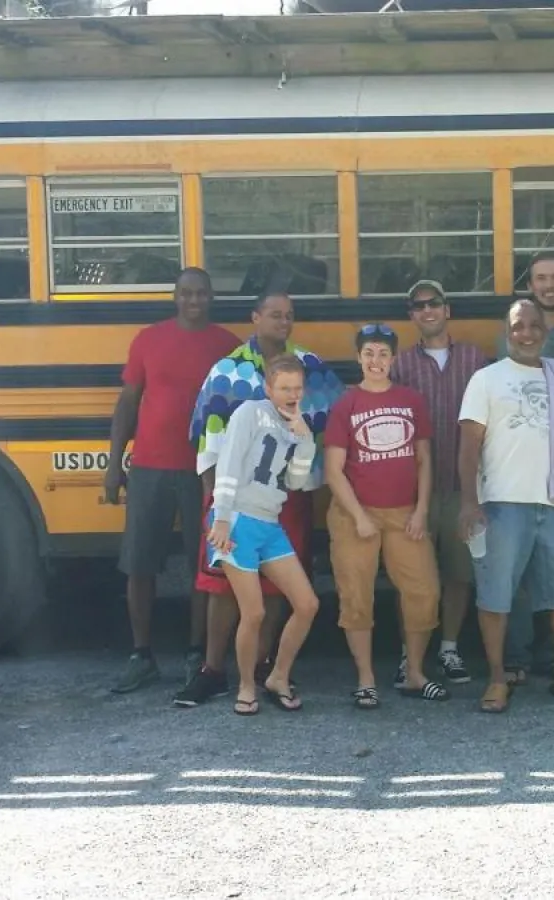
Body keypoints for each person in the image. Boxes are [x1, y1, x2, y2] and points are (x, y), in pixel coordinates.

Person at [173, 290, 346, 708]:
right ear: (255, 317)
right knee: (223, 591)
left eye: (289, 315)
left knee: (280, 597)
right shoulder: (228, 371)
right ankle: (216, 672)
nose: (282, 321)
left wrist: (307, 444)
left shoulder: (311, 367)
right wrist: (215, 508)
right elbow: (213, 441)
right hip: (231, 506)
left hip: (279, 506)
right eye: (274, 314)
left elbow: (323, 436)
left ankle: (270, 670)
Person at [104, 266, 240, 694]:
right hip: (148, 466)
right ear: (175, 297)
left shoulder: (228, 346)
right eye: (186, 293)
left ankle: (196, 654)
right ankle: (141, 654)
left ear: (211, 297)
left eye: (201, 293)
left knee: (203, 566)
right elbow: (128, 402)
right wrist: (114, 464)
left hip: (205, 470)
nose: (194, 300)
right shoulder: (149, 339)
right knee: (139, 564)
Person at [458, 300, 554, 714]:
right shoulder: (486, 379)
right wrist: (469, 502)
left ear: (545, 333)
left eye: (535, 326)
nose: (528, 333)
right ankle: (498, 679)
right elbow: (469, 447)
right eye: (519, 326)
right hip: (502, 504)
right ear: (506, 332)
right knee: (496, 597)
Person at [324, 323, 448, 708]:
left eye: (382, 353)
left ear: (393, 359)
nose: (375, 361)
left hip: (404, 513)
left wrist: (422, 510)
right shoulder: (346, 404)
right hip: (354, 515)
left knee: (424, 592)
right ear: (358, 358)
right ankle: (366, 679)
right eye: (368, 353)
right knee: (357, 596)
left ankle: (414, 673)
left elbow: (425, 459)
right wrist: (358, 515)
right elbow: (333, 469)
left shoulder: (411, 401)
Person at [205, 354, 323, 716]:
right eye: (284, 388)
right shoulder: (249, 412)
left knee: (307, 604)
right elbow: (228, 462)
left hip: (270, 523)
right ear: (268, 388)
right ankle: (245, 686)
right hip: (238, 519)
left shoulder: (295, 423)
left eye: (297, 388)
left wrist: (305, 441)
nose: (291, 394)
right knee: (253, 612)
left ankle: (278, 676)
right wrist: (222, 518)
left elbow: (297, 482)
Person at [389, 279, 489, 688]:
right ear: (412, 315)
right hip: (414, 489)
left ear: (447, 309)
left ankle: (448, 648)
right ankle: (408, 654)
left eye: (434, 303)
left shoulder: (475, 360)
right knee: (409, 574)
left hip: (465, 484)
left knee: (459, 571)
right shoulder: (400, 366)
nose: (427, 310)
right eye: (418, 305)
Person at [497, 253, 554, 683]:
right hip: (514, 481)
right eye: (540, 279)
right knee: (515, 577)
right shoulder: (511, 338)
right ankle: (516, 658)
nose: (548, 285)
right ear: (530, 285)